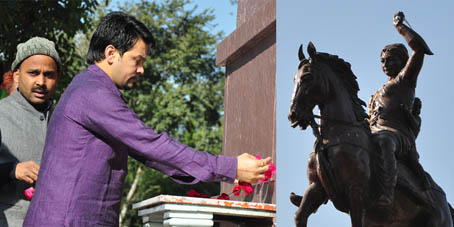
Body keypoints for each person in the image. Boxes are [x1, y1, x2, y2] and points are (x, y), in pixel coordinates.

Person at [24, 12, 271, 226]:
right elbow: (153, 145)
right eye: (137, 60)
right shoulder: (93, 93)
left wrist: (226, 171)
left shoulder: (91, 89)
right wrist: (229, 167)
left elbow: (151, 154)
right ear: (111, 53)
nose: (141, 69)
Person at [368, 12, 432, 207]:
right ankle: (323, 189)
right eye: (383, 61)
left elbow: (419, 50)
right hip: (374, 132)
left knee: (384, 140)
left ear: (403, 61)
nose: (386, 64)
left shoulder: (405, 81)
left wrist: (401, 28)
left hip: (398, 137)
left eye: (391, 60)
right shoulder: (377, 93)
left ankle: (386, 193)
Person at [0, 37, 61, 226]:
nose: (41, 82)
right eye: (33, 73)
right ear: (17, 75)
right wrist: (12, 170)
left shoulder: (65, 118)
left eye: (49, 74)